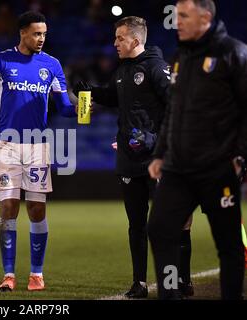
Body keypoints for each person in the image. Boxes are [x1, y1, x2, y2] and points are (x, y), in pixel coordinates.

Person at [0, 11, 77, 292]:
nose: (41, 38)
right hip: (6, 145)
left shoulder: (52, 65)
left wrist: (83, 110)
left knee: (36, 209)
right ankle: (8, 275)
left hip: (37, 146)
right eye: (36, 33)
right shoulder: (1, 61)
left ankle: (37, 274)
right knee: (8, 208)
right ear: (22, 33)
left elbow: (64, 108)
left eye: (44, 33)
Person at [73, 16, 193, 298]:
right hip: (129, 159)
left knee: (167, 223)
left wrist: (155, 141)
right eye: (115, 38)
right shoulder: (122, 71)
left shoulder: (155, 67)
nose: (115, 43)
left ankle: (181, 280)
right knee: (136, 224)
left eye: (120, 38)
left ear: (136, 41)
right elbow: (116, 98)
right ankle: (139, 283)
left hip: (158, 160)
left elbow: (176, 109)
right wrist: (90, 92)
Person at [147, 0, 247, 300]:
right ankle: (170, 295)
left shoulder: (234, 53)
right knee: (160, 230)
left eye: (183, 16)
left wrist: (240, 156)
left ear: (205, 18)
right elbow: (173, 111)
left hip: (217, 169)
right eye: (176, 15)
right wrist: (160, 153)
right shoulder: (180, 57)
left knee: (228, 244)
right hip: (178, 168)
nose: (176, 21)